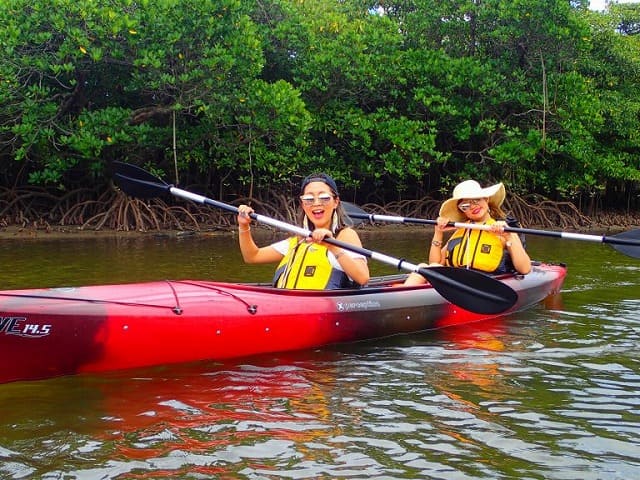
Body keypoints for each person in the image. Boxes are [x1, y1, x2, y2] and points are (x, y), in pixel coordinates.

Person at [237, 173, 370, 289]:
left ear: (335, 202)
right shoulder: (299, 239)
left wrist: (333, 246)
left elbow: (363, 278)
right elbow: (252, 256)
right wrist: (243, 226)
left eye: (324, 198)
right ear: (302, 204)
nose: (316, 203)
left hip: (327, 307)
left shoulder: (345, 235)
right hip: (288, 305)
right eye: (309, 199)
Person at [404, 179, 531, 286]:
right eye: (465, 206)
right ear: (462, 211)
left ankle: (401, 299)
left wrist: (509, 235)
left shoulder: (502, 229)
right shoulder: (462, 230)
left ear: (486, 199)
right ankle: (401, 298)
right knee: (423, 267)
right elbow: (435, 263)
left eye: (476, 200)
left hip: (486, 282)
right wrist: (438, 232)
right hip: (458, 281)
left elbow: (524, 269)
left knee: (427, 269)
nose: (473, 207)